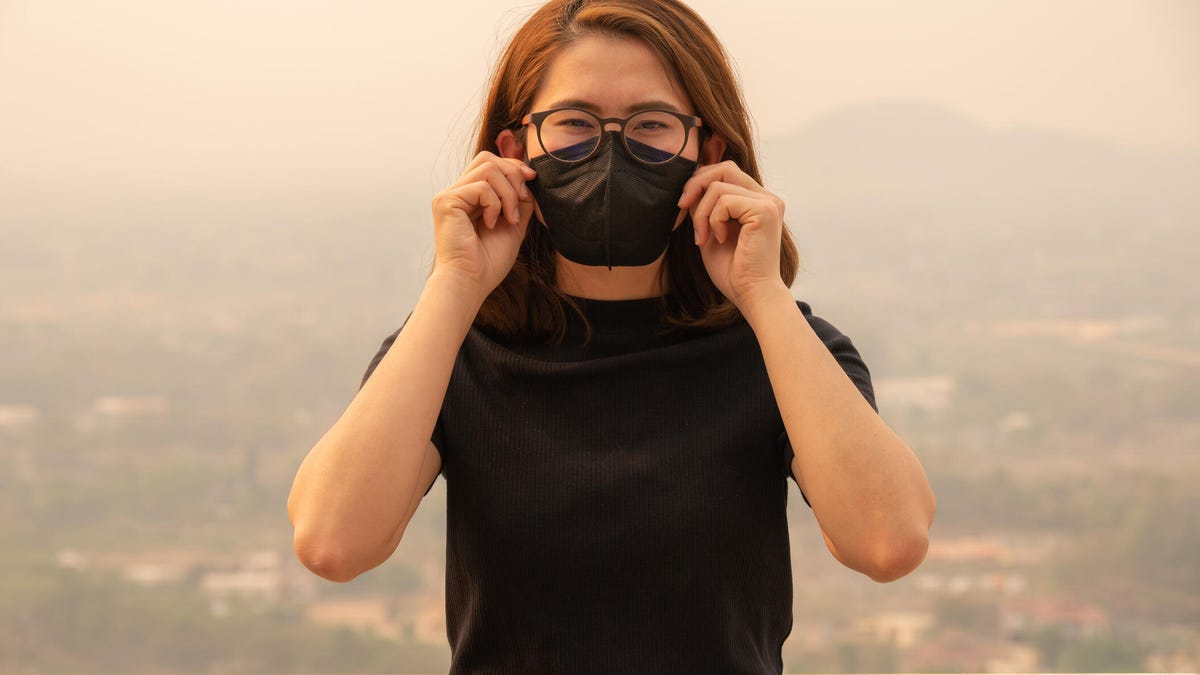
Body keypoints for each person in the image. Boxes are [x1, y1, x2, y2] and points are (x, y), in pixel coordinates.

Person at [287, 0, 935, 672]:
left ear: (709, 152)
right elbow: (334, 542)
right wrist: (455, 282)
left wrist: (762, 294)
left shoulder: (784, 351)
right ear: (514, 150)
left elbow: (888, 542)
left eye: (652, 125)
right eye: (575, 123)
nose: (611, 149)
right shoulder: (451, 352)